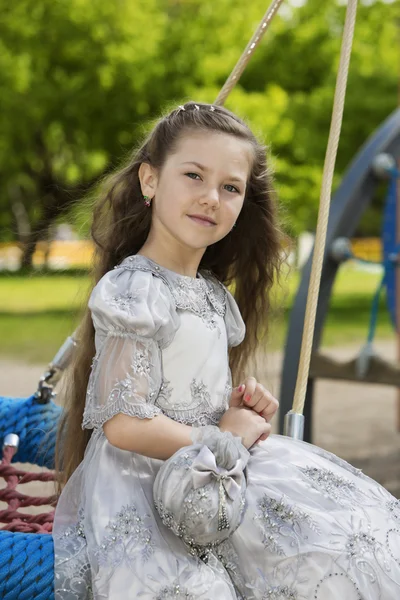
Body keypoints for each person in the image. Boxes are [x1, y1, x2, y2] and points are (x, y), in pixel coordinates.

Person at [53, 101, 400, 600]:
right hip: (146, 489)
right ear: (149, 180)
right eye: (193, 175)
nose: (210, 198)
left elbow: (194, 394)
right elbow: (123, 424)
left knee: (349, 536)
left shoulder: (214, 297)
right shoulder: (135, 290)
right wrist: (220, 435)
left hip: (213, 473)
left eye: (230, 187)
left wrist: (235, 409)